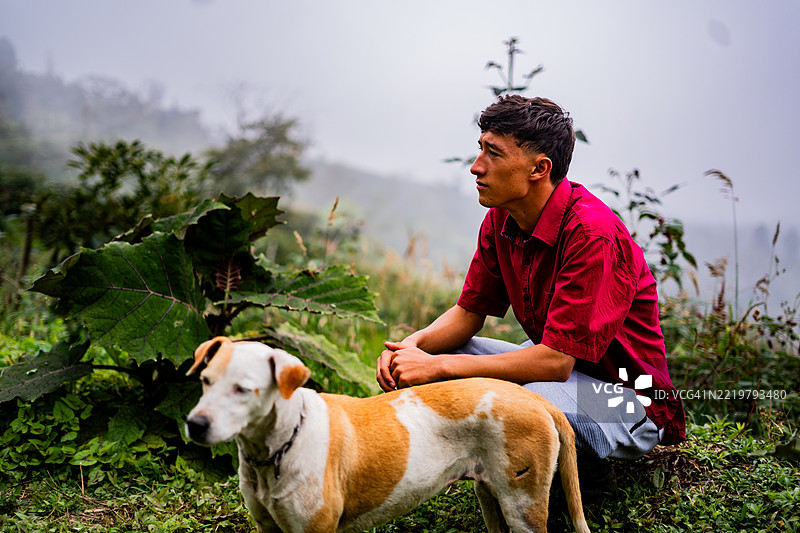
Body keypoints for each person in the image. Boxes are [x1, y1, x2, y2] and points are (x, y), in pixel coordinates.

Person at [376, 95, 685, 462]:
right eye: (480, 150)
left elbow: (555, 363)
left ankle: (575, 471)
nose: (476, 167)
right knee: (444, 356)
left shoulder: (591, 235)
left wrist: (438, 366)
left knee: (519, 400)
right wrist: (410, 350)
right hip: (558, 381)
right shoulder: (501, 218)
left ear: (539, 169)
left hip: (626, 403)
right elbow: (467, 313)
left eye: (494, 153)